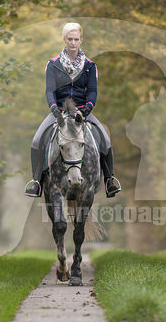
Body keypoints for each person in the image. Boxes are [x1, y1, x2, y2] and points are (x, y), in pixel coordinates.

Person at [24, 22, 121, 198]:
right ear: (64, 40)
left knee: (105, 141)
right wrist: (54, 109)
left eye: (76, 39)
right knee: (37, 141)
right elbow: (50, 90)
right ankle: (36, 181)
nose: (73, 43)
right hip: (59, 112)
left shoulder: (90, 66)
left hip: (82, 112)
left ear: (81, 40)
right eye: (70, 39)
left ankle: (109, 180)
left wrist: (86, 110)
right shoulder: (53, 64)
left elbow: (91, 91)